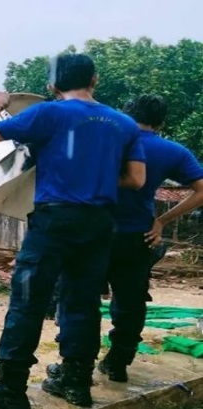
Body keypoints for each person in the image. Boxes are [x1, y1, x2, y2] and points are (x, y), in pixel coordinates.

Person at [0, 53, 146, 409]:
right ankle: (75, 383)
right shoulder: (125, 124)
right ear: (95, 80)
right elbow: (136, 179)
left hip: (55, 221)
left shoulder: (48, 112)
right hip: (100, 223)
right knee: (83, 301)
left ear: (52, 85)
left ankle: (10, 389)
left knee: (28, 300)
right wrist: (96, 177)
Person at [47, 95, 203, 384]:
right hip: (138, 237)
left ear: (125, 115)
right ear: (162, 122)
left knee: (80, 300)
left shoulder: (104, 141)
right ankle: (118, 363)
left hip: (91, 234)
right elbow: (201, 189)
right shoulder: (173, 151)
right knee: (131, 302)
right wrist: (162, 220)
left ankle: (74, 370)